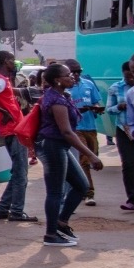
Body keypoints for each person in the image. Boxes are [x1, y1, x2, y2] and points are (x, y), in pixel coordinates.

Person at [35, 64, 102, 247]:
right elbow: (66, 132)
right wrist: (91, 155)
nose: (72, 77)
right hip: (53, 146)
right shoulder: (56, 100)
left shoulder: (63, 96)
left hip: (59, 146)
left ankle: (61, 223)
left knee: (81, 185)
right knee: (55, 192)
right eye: (68, 75)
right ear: (57, 80)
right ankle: (50, 235)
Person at [0, 51, 37, 222]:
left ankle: (2, 209)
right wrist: (3, 111)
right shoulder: (1, 81)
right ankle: (16, 211)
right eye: (12, 60)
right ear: (5, 62)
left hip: (11, 130)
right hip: (14, 130)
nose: (14, 63)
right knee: (21, 174)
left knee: (18, 172)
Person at [64, 59, 103, 206]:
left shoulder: (89, 84)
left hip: (90, 126)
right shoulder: (66, 89)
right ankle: (88, 193)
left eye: (78, 71)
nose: (76, 74)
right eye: (72, 72)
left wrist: (96, 107)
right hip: (75, 128)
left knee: (93, 156)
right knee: (85, 159)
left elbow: (96, 100)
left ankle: (77, 186)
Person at [107, 62, 134, 211]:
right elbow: (109, 109)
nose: (131, 79)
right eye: (128, 76)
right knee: (128, 164)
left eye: (133, 75)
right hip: (124, 130)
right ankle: (132, 199)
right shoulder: (116, 88)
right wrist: (119, 106)